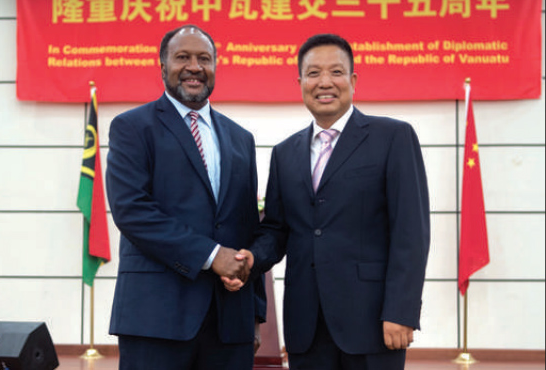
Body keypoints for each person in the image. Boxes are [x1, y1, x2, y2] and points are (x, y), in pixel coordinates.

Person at [225, 33, 430, 369]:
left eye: (336, 72)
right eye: (313, 73)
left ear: (353, 80)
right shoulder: (285, 153)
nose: (325, 82)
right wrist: (250, 258)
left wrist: (401, 311)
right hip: (306, 325)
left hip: (374, 322)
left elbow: (411, 233)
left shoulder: (393, 137)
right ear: (300, 81)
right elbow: (277, 230)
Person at [106, 24, 265, 370]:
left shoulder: (241, 139)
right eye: (183, 57)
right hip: (156, 321)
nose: (194, 66)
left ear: (215, 67)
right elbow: (132, 212)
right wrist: (211, 256)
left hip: (229, 324)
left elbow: (247, 225)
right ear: (162, 66)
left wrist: (254, 315)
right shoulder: (132, 127)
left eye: (204, 58)